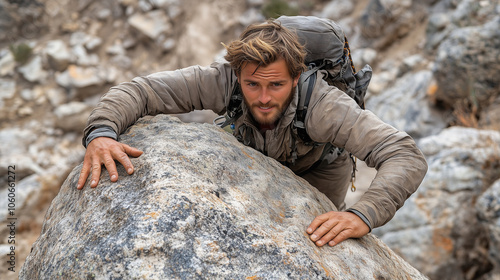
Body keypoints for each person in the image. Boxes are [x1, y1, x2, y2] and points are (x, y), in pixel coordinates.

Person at [77, 19, 427, 247]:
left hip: (319, 168)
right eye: (252, 84)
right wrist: (102, 133)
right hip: (250, 157)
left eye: (276, 85)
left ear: (295, 77)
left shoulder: (323, 105)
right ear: (237, 74)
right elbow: (141, 90)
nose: (262, 98)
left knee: (322, 240)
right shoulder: (222, 80)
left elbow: (404, 155)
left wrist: (361, 216)